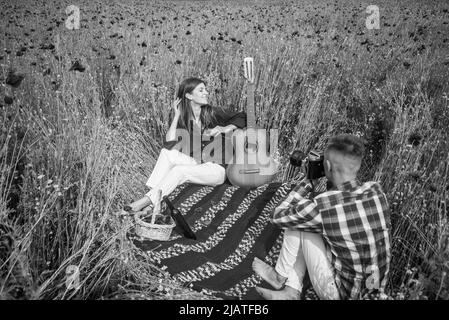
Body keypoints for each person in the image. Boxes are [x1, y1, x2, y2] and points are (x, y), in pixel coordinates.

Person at [252, 134, 391, 300]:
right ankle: (289, 292)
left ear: (327, 165)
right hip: (372, 289)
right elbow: (343, 201)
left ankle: (280, 276)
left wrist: (308, 181)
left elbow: (277, 216)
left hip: (340, 294)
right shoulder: (376, 192)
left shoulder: (322, 208)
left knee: (299, 221)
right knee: (308, 221)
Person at [125, 77, 246, 211]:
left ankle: (142, 203)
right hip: (198, 162)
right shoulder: (185, 119)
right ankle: (154, 202)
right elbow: (169, 143)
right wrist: (176, 115)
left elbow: (242, 116)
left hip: (217, 169)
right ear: (189, 96)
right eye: (201, 90)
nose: (206, 92)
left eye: (205, 89)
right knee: (166, 153)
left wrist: (225, 128)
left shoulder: (212, 112)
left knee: (179, 171)